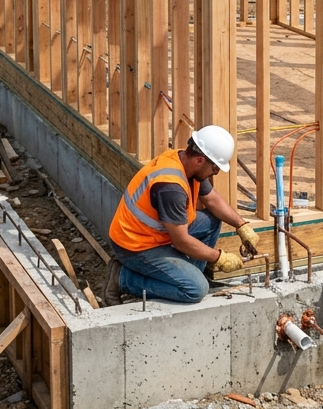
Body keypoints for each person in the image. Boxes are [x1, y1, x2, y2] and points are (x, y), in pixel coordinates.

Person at [102, 125, 260, 305]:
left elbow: (212, 200)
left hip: (153, 234)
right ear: (200, 161)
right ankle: (122, 278)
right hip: (135, 246)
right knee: (195, 290)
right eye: (215, 167)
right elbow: (181, 241)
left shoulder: (185, 161)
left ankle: (186, 275)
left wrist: (241, 225)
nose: (216, 172)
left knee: (212, 220)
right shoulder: (171, 188)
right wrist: (219, 257)